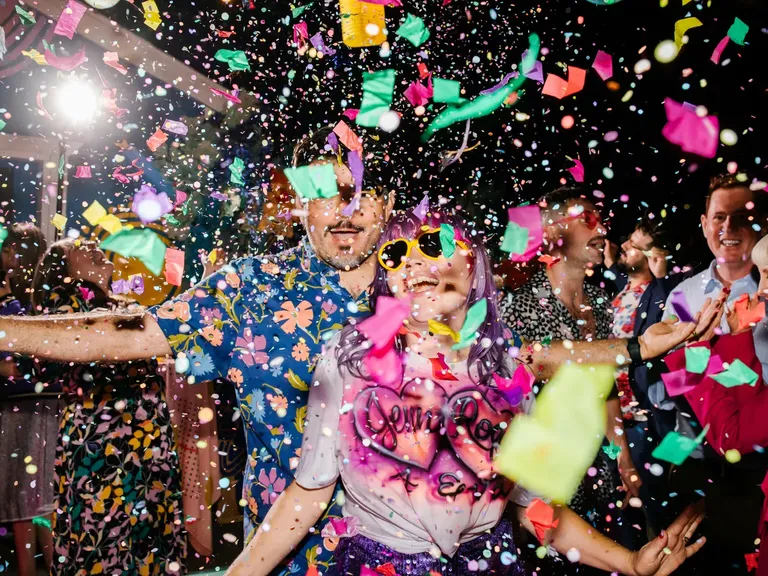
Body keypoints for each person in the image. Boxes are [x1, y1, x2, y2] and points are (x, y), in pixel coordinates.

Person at [0, 144, 718, 572]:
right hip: (292, 557)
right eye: (325, 195)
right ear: (300, 208)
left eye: (362, 194)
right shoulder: (252, 289)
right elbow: (135, 332)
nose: (344, 210)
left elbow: (522, 370)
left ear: (388, 206)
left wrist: (634, 347)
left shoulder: (425, 289)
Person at [225, 210, 706, 576]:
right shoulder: (347, 360)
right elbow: (308, 493)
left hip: (490, 563)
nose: (412, 262)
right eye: (395, 254)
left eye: (432, 245)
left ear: (473, 261)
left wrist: (629, 563)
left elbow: (533, 506)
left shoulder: (507, 373)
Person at [28, 238, 186, 575]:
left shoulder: (122, 304)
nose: (92, 245)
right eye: (78, 247)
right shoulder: (63, 302)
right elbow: (56, 357)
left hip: (144, 438)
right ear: (64, 270)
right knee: (102, 532)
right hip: (103, 439)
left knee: (145, 531)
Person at [500, 186, 639, 563]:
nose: (601, 230)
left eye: (601, 220)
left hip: (598, 466)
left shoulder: (598, 302)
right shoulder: (519, 305)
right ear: (552, 233)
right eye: (587, 219)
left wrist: (624, 459)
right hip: (546, 476)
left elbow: (606, 388)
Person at [604, 218, 680, 534]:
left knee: (664, 509)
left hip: (657, 426)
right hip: (618, 425)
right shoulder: (621, 294)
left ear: (654, 256)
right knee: (622, 503)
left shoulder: (665, 296)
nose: (624, 246)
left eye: (633, 245)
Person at [0, 223, 53, 576]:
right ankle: (42, 567)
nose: (9, 256)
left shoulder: (27, 295)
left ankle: (34, 569)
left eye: (13, 250)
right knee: (33, 493)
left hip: (23, 400)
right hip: (27, 399)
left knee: (27, 493)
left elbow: (12, 360)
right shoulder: (37, 293)